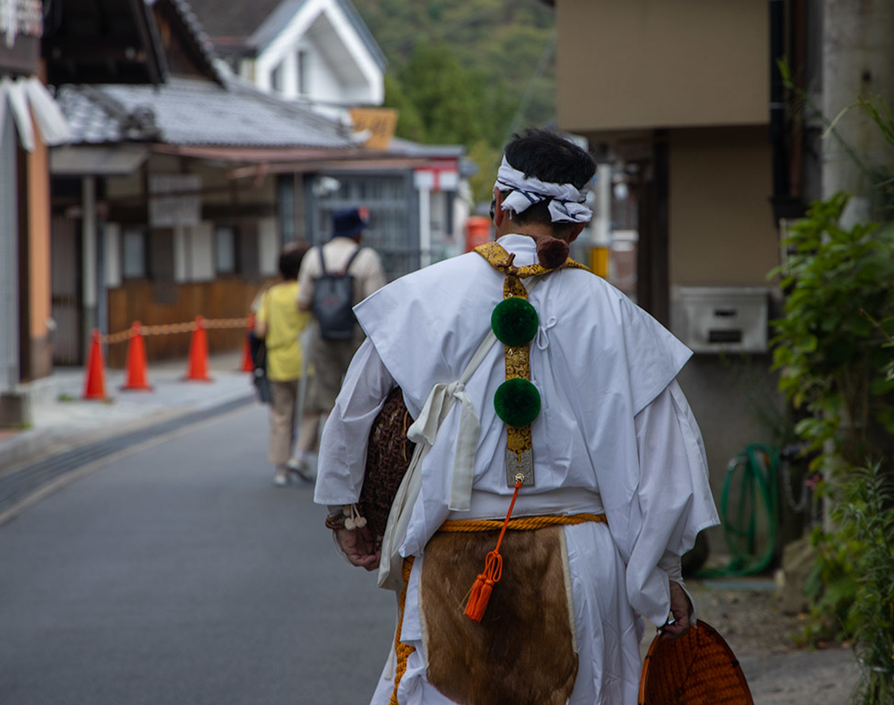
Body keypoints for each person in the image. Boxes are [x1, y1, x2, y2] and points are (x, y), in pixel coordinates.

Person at [312, 129, 720, 705]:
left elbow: (352, 413)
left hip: (455, 554)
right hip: (584, 558)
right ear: (576, 227)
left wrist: (347, 513)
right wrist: (662, 577)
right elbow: (666, 461)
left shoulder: (420, 298)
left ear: (499, 205)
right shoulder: (616, 315)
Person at [295, 208, 387, 473]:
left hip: (322, 335)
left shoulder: (314, 256)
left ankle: (328, 460)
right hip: (356, 336)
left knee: (326, 397)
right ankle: (355, 459)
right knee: (360, 396)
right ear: (357, 233)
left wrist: (326, 306)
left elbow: (302, 302)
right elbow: (376, 302)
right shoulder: (366, 258)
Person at [254, 242, 318, 486]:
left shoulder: (270, 294)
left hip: (277, 364)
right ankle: (298, 456)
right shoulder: (306, 293)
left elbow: (260, 331)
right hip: (305, 363)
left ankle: (280, 470)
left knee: (281, 417)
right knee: (311, 412)